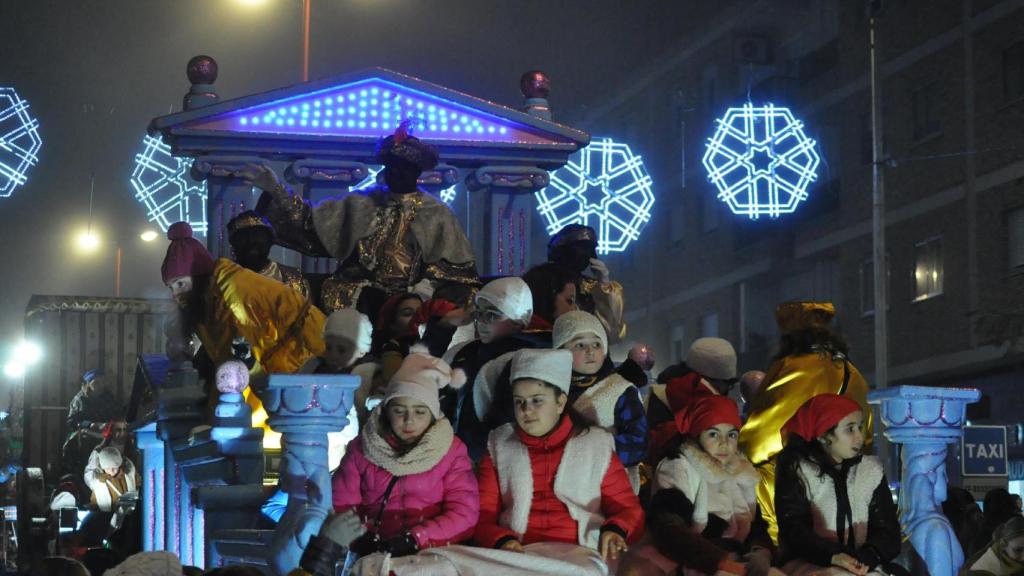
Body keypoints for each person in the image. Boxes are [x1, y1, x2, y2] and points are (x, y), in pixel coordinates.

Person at [242, 121, 479, 319]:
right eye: (391, 167)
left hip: (411, 302)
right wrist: (276, 189)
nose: (395, 173)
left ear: (416, 173)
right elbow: (309, 222)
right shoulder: (363, 203)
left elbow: (454, 272)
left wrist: (424, 289)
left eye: (403, 168)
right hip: (354, 294)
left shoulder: (436, 213)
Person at [465, 349, 643, 575]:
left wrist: (615, 530)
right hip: (517, 555)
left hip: (580, 556)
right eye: (519, 401)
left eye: (537, 401)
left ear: (560, 402)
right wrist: (501, 540)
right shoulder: (499, 445)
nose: (526, 410)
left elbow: (629, 509)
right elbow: (482, 514)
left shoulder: (596, 445)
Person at [161, 221, 326, 435]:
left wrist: (214, 421)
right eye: (171, 287)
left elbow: (242, 357)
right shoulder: (207, 301)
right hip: (282, 373)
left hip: (302, 365)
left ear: (199, 275)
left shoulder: (232, 293)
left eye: (180, 283)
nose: (176, 294)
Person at [331, 351, 478, 568]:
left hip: (434, 555)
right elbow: (341, 504)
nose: (409, 421)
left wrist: (417, 538)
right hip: (371, 556)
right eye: (400, 411)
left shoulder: (451, 452)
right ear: (386, 411)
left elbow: (464, 512)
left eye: (420, 412)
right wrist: (361, 539)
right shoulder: (361, 450)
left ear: (433, 414)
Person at [740, 302, 873, 542]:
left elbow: (761, 440)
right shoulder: (852, 372)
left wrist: (737, 449)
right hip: (847, 485)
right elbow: (865, 435)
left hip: (803, 484)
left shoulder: (798, 368)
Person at [621, 395, 775, 576]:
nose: (724, 443)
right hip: (690, 557)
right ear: (696, 434)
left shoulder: (739, 472)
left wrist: (761, 551)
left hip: (734, 555)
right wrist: (720, 561)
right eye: (713, 434)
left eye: (731, 435)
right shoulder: (678, 467)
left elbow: (755, 525)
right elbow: (669, 527)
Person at [774, 394, 901, 576]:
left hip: (861, 564)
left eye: (860, 427)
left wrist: (871, 554)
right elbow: (794, 530)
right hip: (810, 563)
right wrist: (834, 556)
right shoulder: (799, 470)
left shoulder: (870, 471)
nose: (859, 437)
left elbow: (888, 529)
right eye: (850, 429)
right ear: (823, 435)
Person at [440, 277, 542, 460]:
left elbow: (503, 424)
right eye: (478, 313)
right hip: (450, 455)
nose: (481, 322)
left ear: (518, 322)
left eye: (492, 315)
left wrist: (461, 453)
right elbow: (423, 370)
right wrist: (444, 325)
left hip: (485, 460)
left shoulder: (525, 361)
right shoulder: (465, 351)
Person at [552, 310, 647, 492]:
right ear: (560, 350)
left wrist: (595, 447)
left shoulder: (619, 390)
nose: (590, 351)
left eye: (596, 344)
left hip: (611, 488)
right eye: (579, 344)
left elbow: (638, 442)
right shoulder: (552, 390)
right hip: (564, 488)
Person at [547, 224, 627, 342]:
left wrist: (604, 284)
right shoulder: (542, 281)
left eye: (590, 249)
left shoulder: (592, 287)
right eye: (582, 248)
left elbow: (612, 333)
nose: (588, 254)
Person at [226, 210, 310, 298]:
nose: (251, 240)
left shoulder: (294, 280)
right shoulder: (221, 279)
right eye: (243, 236)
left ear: (270, 241)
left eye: (258, 235)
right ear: (233, 243)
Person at [66, 369, 119, 435]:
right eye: (96, 383)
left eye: (103, 382)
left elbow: (117, 413)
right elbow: (71, 422)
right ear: (88, 384)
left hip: (106, 434)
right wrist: (89, 424)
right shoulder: (80, 399)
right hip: (85, 436)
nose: (101, 385)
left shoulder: (107, 396)